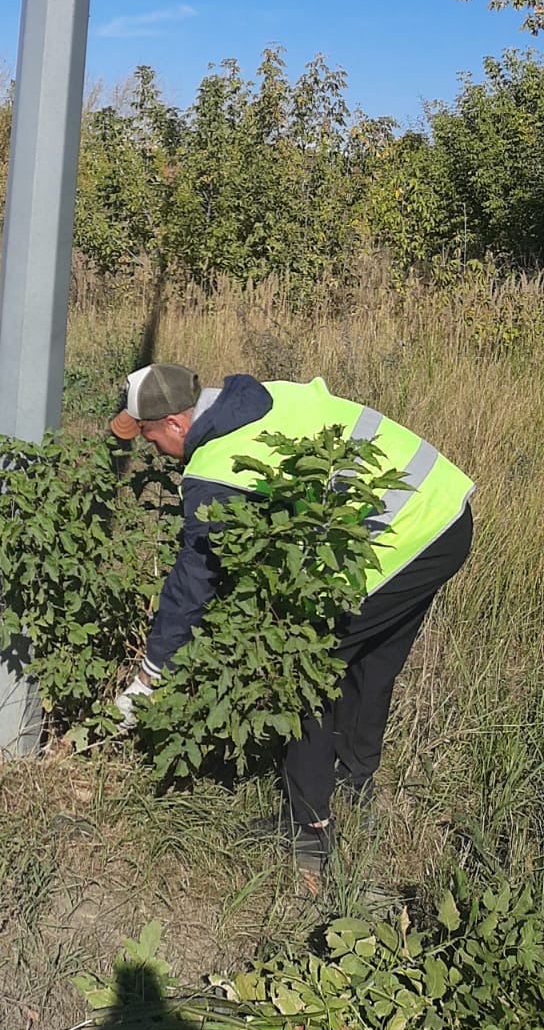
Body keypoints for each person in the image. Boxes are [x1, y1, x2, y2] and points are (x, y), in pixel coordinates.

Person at [108, 363, 474, 874]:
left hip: (400, 536)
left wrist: (151, 673)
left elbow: (193, 583)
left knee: (303, 664)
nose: (149, 449)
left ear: (175, 424)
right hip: (445, 516)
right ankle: (355, 784)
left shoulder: (214, 470)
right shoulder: (264, 397)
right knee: (372, 656)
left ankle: (308, 829)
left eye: (147, 436)